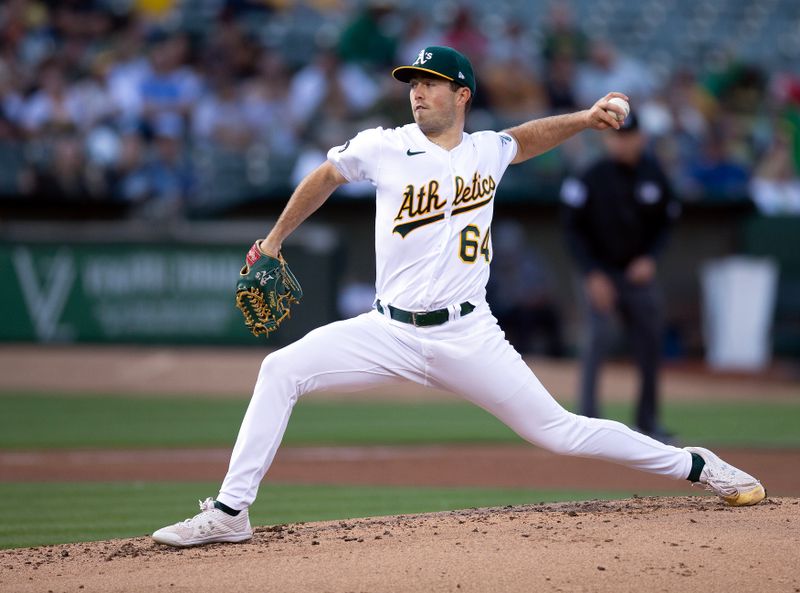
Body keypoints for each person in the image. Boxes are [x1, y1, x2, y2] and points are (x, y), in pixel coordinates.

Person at [152, 46, 765, 547]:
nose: (417, 91)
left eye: (432, 82)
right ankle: (232, 511)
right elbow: (325, 175)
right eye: (413, 82)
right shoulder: (384, 145)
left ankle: (695, 464)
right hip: (387, 330)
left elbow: (525, 137)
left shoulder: (487, 152)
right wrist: (275, 238)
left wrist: (583, 118)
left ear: (462, 94)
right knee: (280, 368)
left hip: (468, 335)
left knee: (557, 430)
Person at [561, 110, 679, 441]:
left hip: (636, 272)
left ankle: (648, 421)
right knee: (597, 339)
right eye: (615, 137)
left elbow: (667, 222)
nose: (620, 143)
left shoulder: (654, 175)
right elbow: (571, 229)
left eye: (626, 136)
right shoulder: (591, 176)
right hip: (598, 270)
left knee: (650, 342)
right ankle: (587, 423)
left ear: (641, 138)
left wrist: (650, 258)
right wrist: (592, 274)